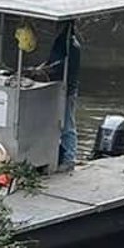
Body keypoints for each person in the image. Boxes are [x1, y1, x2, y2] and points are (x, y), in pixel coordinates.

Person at [46, 23, 82, 169]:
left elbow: (60, 66)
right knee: (58, 123)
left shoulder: (71, 44)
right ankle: (56, 156)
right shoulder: (61, 41)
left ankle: (69, 159)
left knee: (67, 124)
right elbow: (52, 61)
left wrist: (47, 70)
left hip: (67, 90)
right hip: (59, 88)